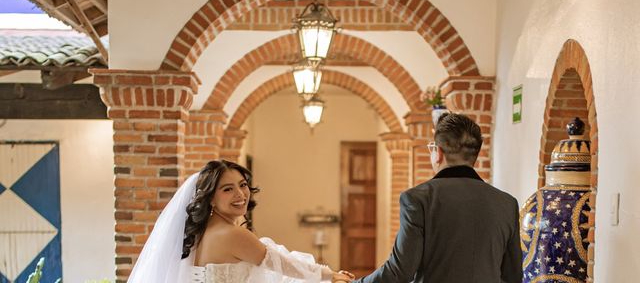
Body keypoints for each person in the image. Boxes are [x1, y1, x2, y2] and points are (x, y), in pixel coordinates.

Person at [354, 113, 523, 283]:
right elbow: (513, 277)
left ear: (438, 152)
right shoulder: (507, 204)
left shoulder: (418, 199)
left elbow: (400, 272)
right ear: (475, 155)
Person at [128, 159, 354, 283]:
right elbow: (281, 264)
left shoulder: (203, 232)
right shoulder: (231, 234)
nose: (240, 194)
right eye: (228, 189)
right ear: (211, 199)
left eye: (243, 185)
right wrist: (329, 275)